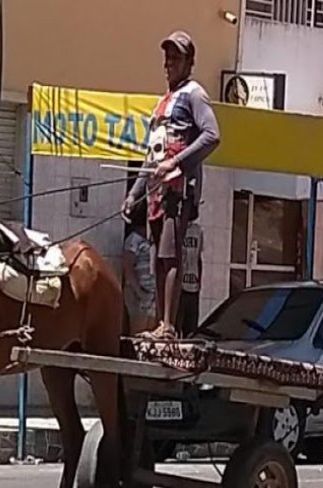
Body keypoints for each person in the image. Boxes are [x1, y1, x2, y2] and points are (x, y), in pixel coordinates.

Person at [122, 30, 220, 340]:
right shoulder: (163, 102)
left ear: (189, 62)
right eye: (167, 57)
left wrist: (176, 164)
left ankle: (169, 325)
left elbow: (211, 136)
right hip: (155, 192)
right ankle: (159, 323)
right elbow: (151, 156)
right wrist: (134, 194)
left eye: (176, 58)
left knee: (169, 255)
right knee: (155, 258)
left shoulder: (194, 94)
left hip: (178, 190)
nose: (169, 63)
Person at [122, 207, 156, 335]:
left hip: (152, 295)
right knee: (138, 333)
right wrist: (140, 293)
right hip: (138, 294)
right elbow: (128, 267)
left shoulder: (153, 239)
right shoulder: (134, 239)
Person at [176, 214, 203, 338]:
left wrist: (199, 284)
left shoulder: (197, 230)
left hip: (193, 286)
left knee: (191, 330)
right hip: (178, 288)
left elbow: (199, 257)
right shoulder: (175, 226)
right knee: (176, 328)